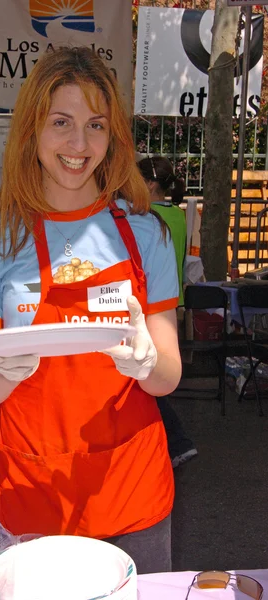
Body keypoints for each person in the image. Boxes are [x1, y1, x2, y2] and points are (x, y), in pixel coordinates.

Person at [0, 47, 182, 574]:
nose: (79, 145)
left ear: (114, 138)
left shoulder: (144, 234)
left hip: (131, 488)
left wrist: (148, 363)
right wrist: (1, 370)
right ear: (33, 129)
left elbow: (169, 376)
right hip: (35, 491)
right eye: (61, 122)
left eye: (96, 125)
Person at [138, 155, 198, 468]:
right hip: (173, 302)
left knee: (148, 380)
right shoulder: (177, 214)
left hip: (151, 306)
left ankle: (175, 443)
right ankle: (174, 443)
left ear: (149, 184)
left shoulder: (145, 219)